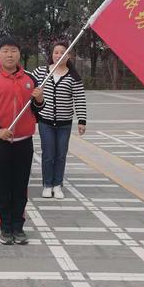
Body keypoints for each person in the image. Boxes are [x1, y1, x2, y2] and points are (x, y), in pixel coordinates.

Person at [0, 36, 45, 245]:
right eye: (5, 51)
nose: (9, 54)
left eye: (13, 50)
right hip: (0, 142)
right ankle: (4, 226)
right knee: (3, 186)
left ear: (19, 54)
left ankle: (18, 225)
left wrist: (40, 100)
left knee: (20, 185)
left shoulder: (31, 79)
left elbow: (38, 112)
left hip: (24, 142)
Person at [32, 41, 87, 199]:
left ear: (68, 56)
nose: (58, 55)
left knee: (60, 154)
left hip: (64, 124)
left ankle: (57, 185)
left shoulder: (73, 77)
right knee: (48, 154)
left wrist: (82, 121)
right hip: (45, 122)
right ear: (52, 55)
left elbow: (80, 99)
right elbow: (27, 83)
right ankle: (47, 185)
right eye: (56, 52)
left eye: (62, 52)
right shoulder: (41, 72)